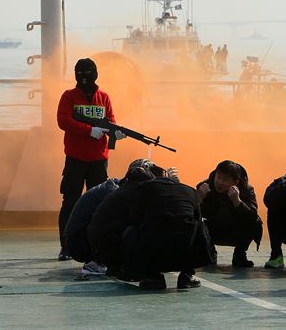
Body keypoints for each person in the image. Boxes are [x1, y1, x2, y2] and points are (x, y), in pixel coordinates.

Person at [56, 58, 126, 261]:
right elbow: (63, 121)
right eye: (81, 72)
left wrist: (116, 132)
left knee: (99, 204)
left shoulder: (103, 97)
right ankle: (67, 246)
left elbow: (110, 121)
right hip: (75, 159)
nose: (84, 77)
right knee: (70, 202)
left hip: (98, 160)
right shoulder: (69, 96)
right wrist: (89, 130)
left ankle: (95, 245)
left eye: (88, 72)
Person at [121, 173, 208, 290]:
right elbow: (198, 220)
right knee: (199, 226)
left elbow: (134, 219)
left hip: (156, 250)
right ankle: (187, 275)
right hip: (185, 249)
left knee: (131, 231)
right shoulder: (191, 191)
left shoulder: (144, 188)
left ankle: (153, 276)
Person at [63, 159, 150, 275]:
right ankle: (97, 262)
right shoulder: (114, 192)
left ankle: (101, 259)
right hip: (79, 245)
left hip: (78, 240)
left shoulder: (117, 187)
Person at [197, 160, 263, 267]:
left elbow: (252, 216)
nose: (219, 182)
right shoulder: (204, 187)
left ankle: (239, 254)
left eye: (225, 179)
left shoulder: (246, 189)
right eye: (218, 177)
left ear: (235, 182)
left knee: (256, 222)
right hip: (212, 230)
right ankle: (209, 252)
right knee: (197, 222)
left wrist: (238, 202)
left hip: (235, 230)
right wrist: (198, 199)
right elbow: (191, 214)